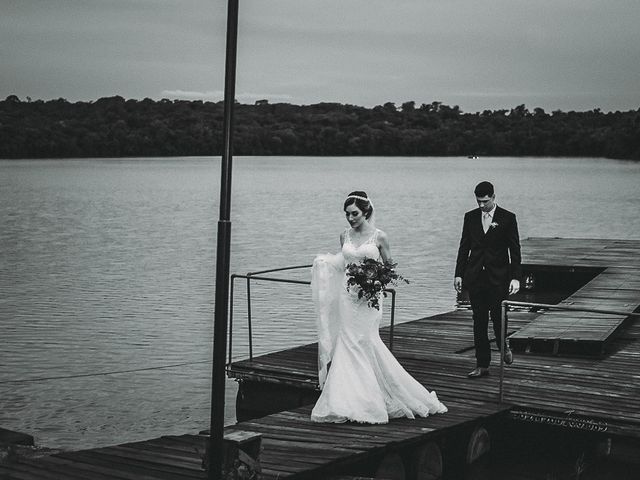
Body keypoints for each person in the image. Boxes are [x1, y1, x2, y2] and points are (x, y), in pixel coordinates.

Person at [310, 191, 447, 423]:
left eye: (354, 214)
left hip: (370, 299)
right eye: (347, 214)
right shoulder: (344, 236)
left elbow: (389, 268)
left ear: (366, 212)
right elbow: (344, 264)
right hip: (348, 295)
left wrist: (374, 281)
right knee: (348, 342)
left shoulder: (379, 237)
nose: (350, 218)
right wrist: (324, 263)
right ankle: (347, 400)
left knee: (365, 341)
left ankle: (375, 398)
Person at [454, 181, 522, 378]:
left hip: (498, 277)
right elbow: (464, 247)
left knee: (499, 318)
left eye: (485, 201)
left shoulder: (508, 218)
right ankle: (482, 364)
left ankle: (503, 344)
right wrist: (459, 273)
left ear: (493, 197)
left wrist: (516, 278)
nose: (481, 205)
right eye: (478, 202)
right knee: (479, 321)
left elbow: (514, 250)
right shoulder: (470, 217)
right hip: (475, 277)